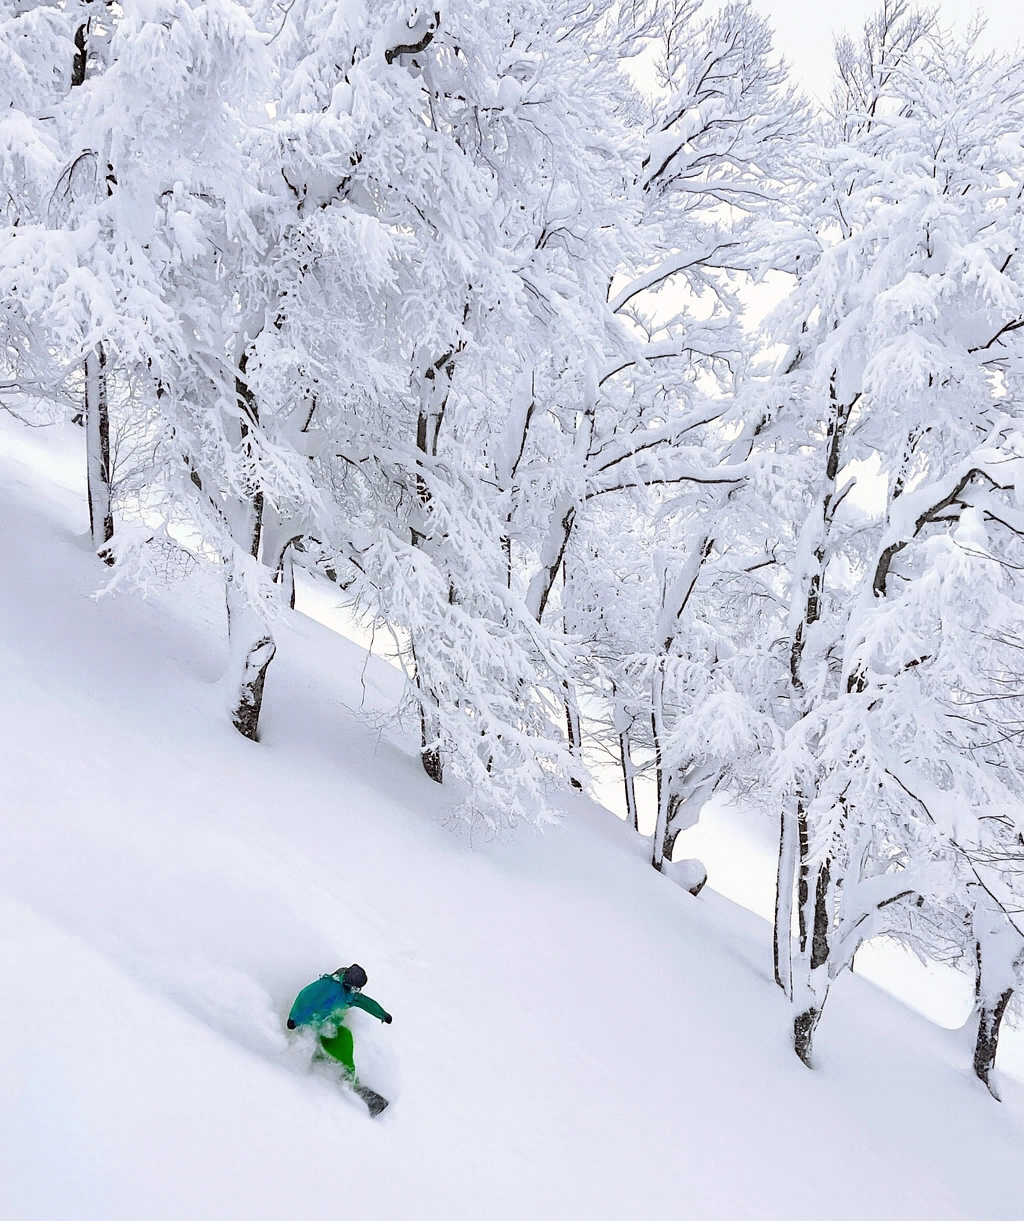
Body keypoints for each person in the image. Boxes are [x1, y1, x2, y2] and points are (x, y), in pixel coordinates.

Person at [287, 964, 393, 1116]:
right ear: (347, 982)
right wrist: (294, 1018)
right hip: (313, 1027)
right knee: (319, 1049)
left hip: (330, 1028)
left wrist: (383, 1015)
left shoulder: (349, 993)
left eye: (358, 989)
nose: (356, 991)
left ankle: (352, 1083)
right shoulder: (327, 986)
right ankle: (308, 1077)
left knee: (345, 1042)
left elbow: (365, 1002)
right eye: (355, 988)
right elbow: (306, 997)